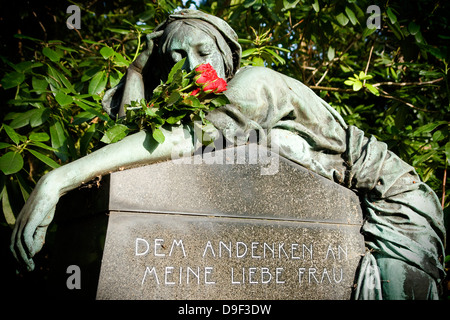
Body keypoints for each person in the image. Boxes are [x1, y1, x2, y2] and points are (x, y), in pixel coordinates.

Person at [10, 9, 445, 299]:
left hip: (395, 204)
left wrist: (55, 180)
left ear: (226, 59)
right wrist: (139, 68)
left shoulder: (254, 84)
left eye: (203, 52)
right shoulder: (198, 111)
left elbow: (184, 138)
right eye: (175, 57)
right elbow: (128, 141)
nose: (191, 65)